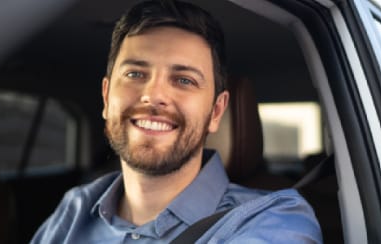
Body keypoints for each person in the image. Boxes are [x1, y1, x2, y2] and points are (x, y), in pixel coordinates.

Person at [31, 0, 322, 243]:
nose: (154, 95)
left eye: (184, 80)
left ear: (216, 112)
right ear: (107, 98)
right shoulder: (75, 208)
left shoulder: (273, 219)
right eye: (135, 74)